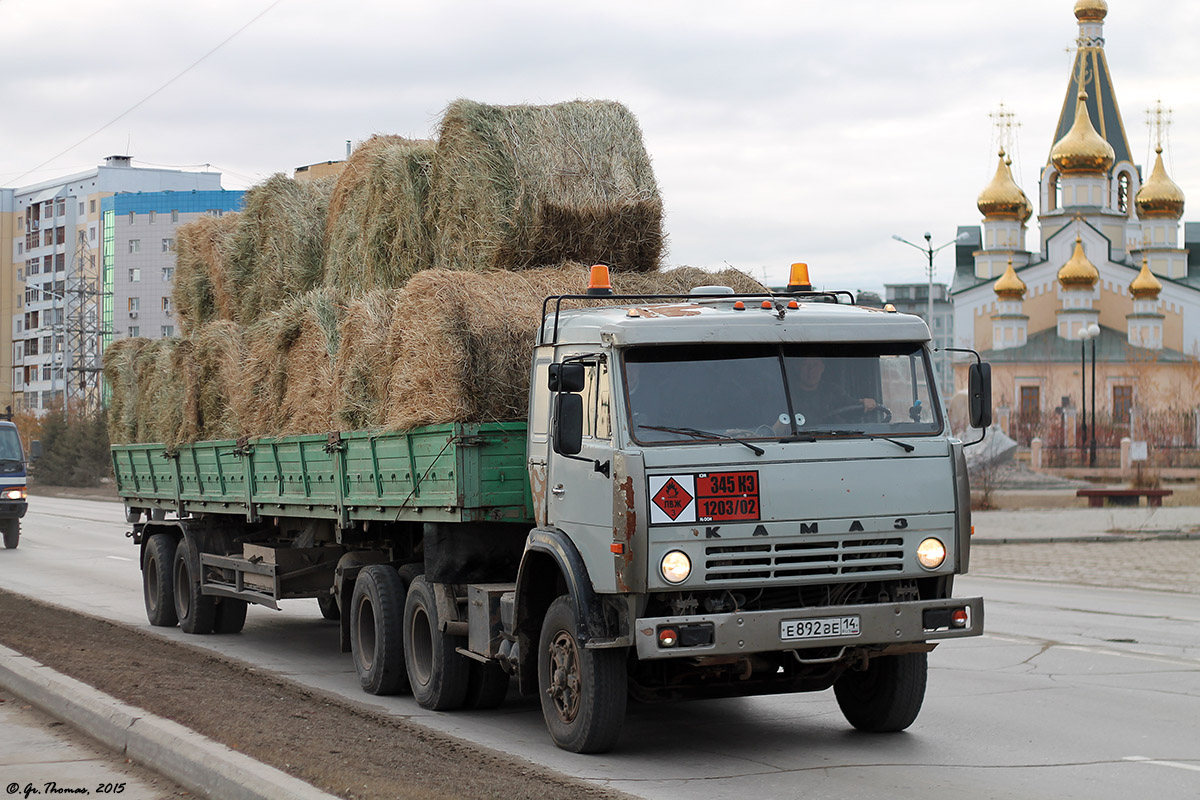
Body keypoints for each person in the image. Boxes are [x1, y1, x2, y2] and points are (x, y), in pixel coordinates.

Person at [789, 356, 877, 425]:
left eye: (816, 364)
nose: (811, 370)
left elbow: (849, 407)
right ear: (798, 368)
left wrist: (865, 403)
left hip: (830, 439)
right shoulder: (787, 394)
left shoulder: (831, 391)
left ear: (822, 368)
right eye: (805, 365)